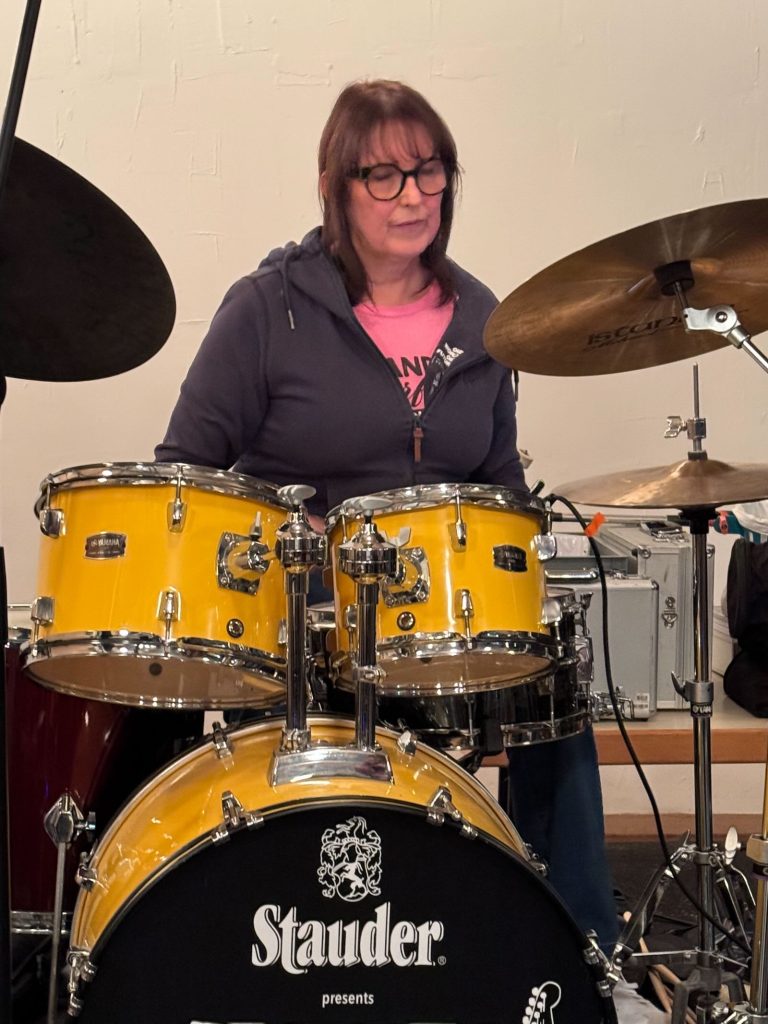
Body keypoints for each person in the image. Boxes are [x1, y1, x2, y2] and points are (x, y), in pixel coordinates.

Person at [156, 79, 665, 1023]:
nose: (411, 195)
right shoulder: (268, 309)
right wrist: (293, 532)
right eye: (383, 175)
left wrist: (520, 543)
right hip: (304, 627)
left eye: (429, 171)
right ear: (336, 187)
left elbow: (500, 483)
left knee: (552, 688)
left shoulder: (487, 322)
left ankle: (590, 966)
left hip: (433, 624)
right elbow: (184, 474)